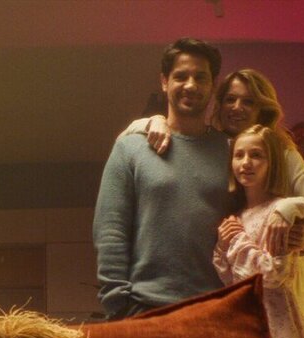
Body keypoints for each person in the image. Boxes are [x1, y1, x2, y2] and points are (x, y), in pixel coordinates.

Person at [119, 68, 304, 325]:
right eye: (230, 99)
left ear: (262, 109)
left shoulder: (283, 154)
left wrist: (298, 222)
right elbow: (127, 139)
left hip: (282, 299)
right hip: (224, 288)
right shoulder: (209, 148)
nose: (237, 107)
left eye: (248, 101)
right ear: (219, 105)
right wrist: (154, 122)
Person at [93, 38, 232, 320]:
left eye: (200, 77)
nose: (191, 85)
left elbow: (259, 212)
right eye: (181, 76)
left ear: (213, 85)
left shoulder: (233, 152)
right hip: (144, 310)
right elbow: (110, 231)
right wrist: (118, 305)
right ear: (164, 82)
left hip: (217, 310)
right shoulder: (130, 148)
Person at [214, 124, 304, 338]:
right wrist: (224, 244)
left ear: (271, 163)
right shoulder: (239, 215)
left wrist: (237, 241)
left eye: (256, 155)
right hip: (247, 328)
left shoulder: (280, 213)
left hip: (278, 327)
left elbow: (274, 275)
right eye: (239, 155)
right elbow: (230, 279)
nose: (246, 162)